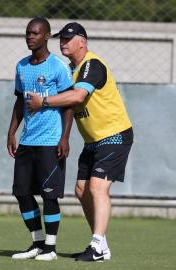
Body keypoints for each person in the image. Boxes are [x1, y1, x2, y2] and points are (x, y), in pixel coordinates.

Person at [26, 22, 133, 261]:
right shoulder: (70, 70)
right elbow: (69, 106)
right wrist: (62, 137)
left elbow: (78, 96)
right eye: (61, 39)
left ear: (82, 42)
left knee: (97, 187)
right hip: (93, 141)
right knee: (81, 190)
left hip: (114, 136)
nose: (63, 42)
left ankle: (96, 245)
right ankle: (101, 246)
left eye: (68, 38)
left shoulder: (91, 65)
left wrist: (42, 101)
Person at [7, 17, 74, 261]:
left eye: (35, 33)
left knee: (49, 195)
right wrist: (11, 132)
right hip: (27, 141)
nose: (30, 37)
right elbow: (19, 101)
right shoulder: (21, 66)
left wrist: (65, 137)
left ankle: (51, 247)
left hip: (50, 141)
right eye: (27, 33)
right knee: (22, 192)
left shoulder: (58, 66)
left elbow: (69, 105)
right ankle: (36, 242)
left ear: (46, 36)